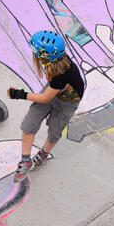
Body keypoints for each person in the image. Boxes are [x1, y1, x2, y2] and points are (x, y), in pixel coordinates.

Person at [7, 30, 85, 183]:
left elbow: (44, 98)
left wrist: (19, 94)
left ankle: (43, 154)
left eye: (37, 54)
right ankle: (25, 161)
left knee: (54, 132)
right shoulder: (55, 60)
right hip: (53, 91)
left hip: (67, 103)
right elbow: (48, 93)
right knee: (29, 124)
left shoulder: (62, 73)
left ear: (45, 56)